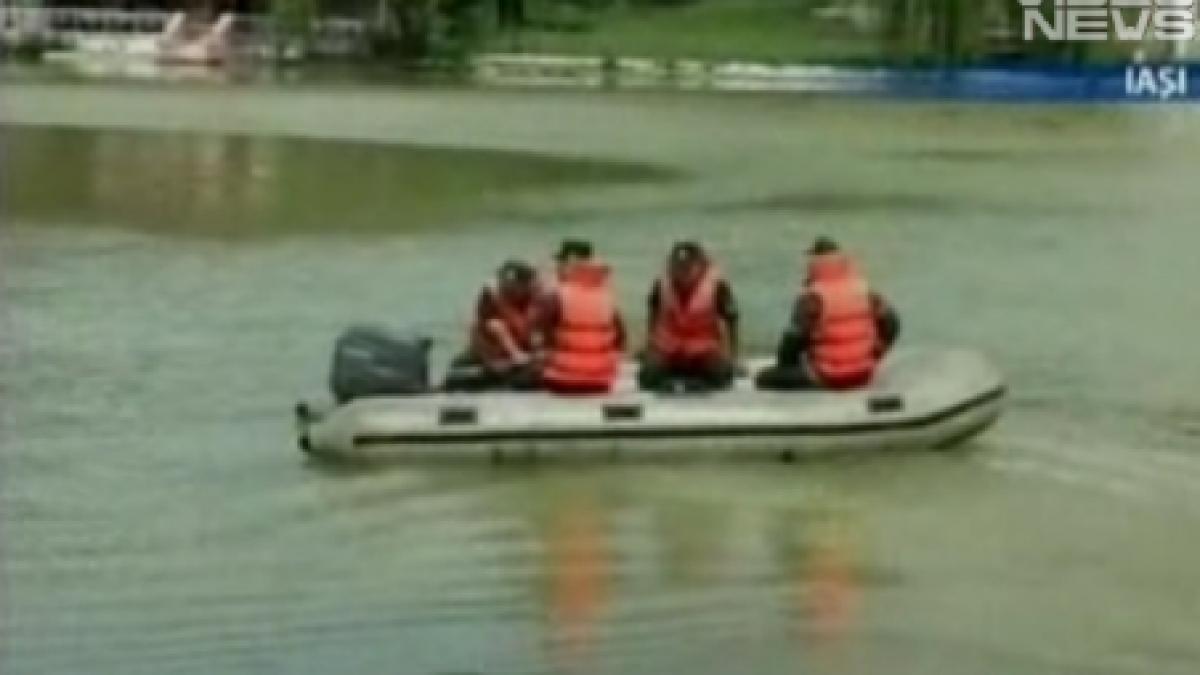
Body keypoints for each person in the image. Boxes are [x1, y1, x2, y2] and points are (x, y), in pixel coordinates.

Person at [756, 237, 900, 391]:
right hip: (863, 373)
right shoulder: (865, 291)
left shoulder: (812, 298)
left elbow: (791, 343)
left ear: (814, 262)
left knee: (763, 377)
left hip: (828, 377)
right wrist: (875, 354)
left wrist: (787, 368)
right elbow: (893, 324)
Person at [638, 241, 740, 392]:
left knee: (723, 375)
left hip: (703, 350)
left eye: (687, 267)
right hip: (669, 349)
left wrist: (733, 357)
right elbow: (653, 316)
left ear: (700, 266)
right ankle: (676, 382)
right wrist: (649, 347)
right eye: (677, 266)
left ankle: (694, 383)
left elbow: (732, 321)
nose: (681, 272)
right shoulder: (661, 284)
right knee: (647, 376)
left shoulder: (717, 286)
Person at [539, 239, 627, 395]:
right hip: (602, 381)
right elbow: (620, 338)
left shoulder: (556, 296)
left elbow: (542, 337)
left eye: (561, 261)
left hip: (563, 381)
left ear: (571, 263)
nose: (557, 267)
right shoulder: (606, 295)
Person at [444, 260, 542, 391]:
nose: (509, 289)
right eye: (505, 285)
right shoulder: (492, 297)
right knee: (493, 325)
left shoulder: (540, 297)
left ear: (526, 284)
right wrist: (492, 361)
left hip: (528, 351)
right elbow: (478, 329)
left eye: (514, 286)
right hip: (496, 354)